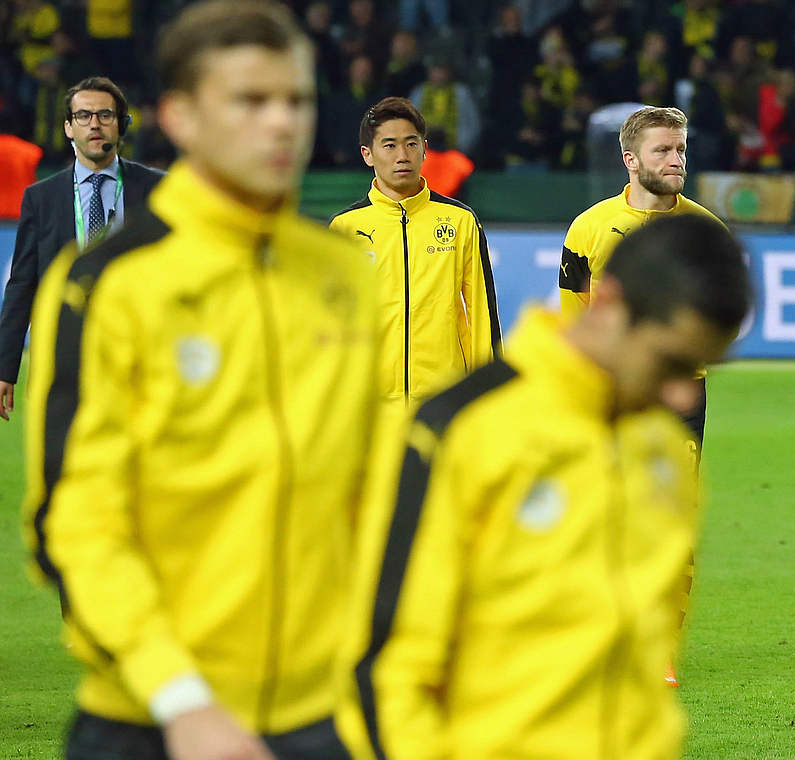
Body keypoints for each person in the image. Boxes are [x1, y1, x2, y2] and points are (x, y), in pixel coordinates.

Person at [21, 2, 377, 758]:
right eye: (251, 101)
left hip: (326, 717)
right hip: (154, 720)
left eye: (298, 100)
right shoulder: (108, 285)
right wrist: (181, 699)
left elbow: (370, 495)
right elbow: (73, 525)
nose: (282, 123)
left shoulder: (341, 270)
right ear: (180, 117)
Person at [335, 214, 751, 760]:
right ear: (607, 303)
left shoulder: (663, 451)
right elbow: (384, 669)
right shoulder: (463, 429)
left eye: (700, 369)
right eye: (670, 362)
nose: (683, 398)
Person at [0, 76, 163, 422]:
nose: (95, 124)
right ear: (68, 128)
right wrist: (5, 366)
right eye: (83, 116)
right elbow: (22, 284)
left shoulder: (157, 190)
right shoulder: (41, 198)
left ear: (122, 125)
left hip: (138, 355)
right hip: (62, 355)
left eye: (105, 115)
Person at [558, 105, 722, 443]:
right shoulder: (589, 227)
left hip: (679, 388)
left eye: (680, 150)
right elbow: (574, 311)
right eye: (662, 150)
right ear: (631, 161)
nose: (676, 160)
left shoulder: (706, 230)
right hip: (608, 384)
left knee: (674, 495)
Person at [330, 96, 500, 405]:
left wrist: (486, 396)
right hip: (369, 403)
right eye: (389, 145)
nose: (402, 156)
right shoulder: (344, 228)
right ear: (368, 155)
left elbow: (482, 314)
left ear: (424, 148)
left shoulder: (460, 221)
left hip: (444, 399)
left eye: (411, 144)